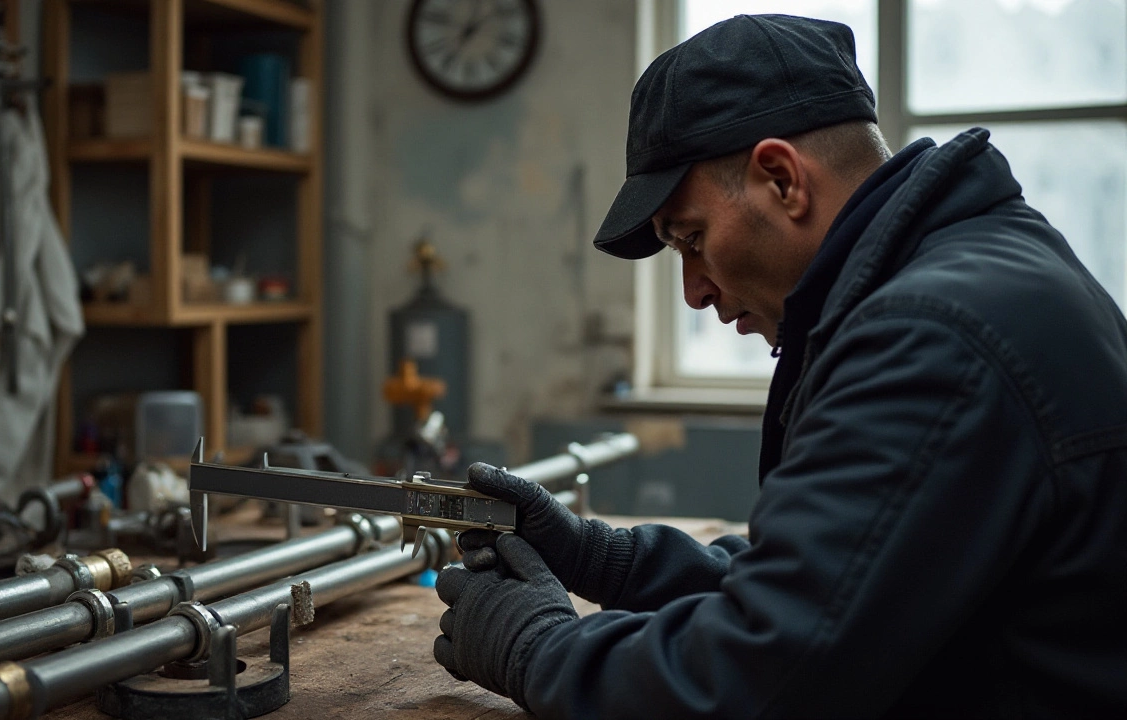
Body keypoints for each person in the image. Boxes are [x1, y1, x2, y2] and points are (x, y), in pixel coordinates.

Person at [431, 13, 1127, 719]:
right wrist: (603, 559)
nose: (694, 290)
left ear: (782, 179)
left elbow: (757, 677)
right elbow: (841, 579)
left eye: (692, 239)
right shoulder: (973, 272)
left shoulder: (931, 339)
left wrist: (538, 649)